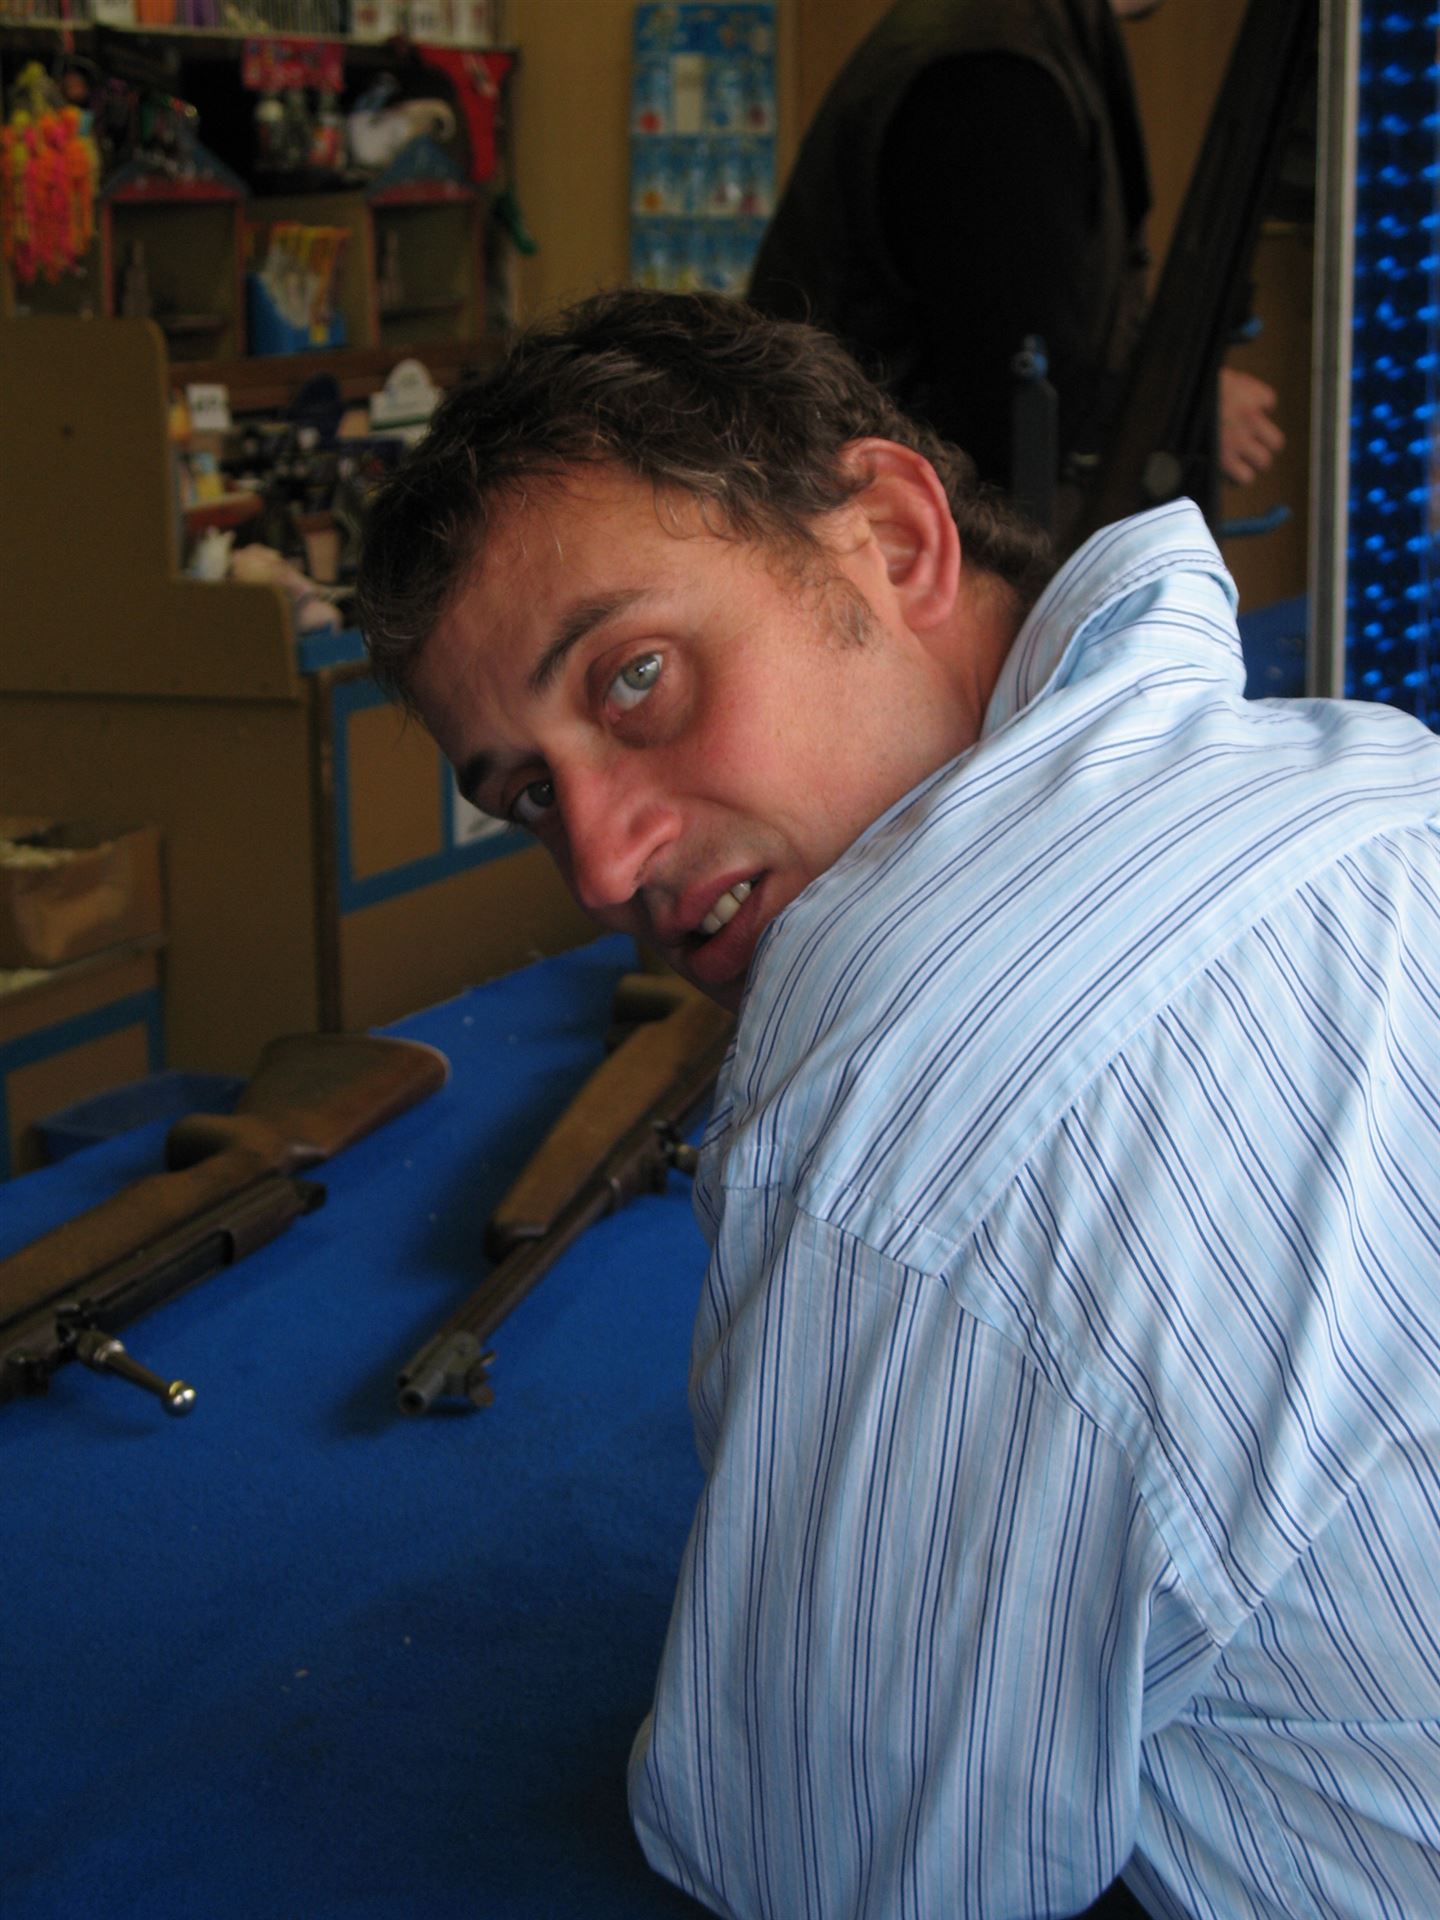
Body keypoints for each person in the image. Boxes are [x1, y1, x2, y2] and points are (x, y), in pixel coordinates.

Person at [357, 288, 1440, 1919]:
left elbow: (831, 1864)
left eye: (635, 677)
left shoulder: (903, 1110)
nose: (599, 863)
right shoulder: (1379, 775)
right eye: (528, 795)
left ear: (894, 539)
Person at [747, 0, 1283, 531]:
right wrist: (1188, 410)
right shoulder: (994, 72)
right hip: (880, 535)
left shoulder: (1018, 40)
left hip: (884, 525)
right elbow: (1013, 399)